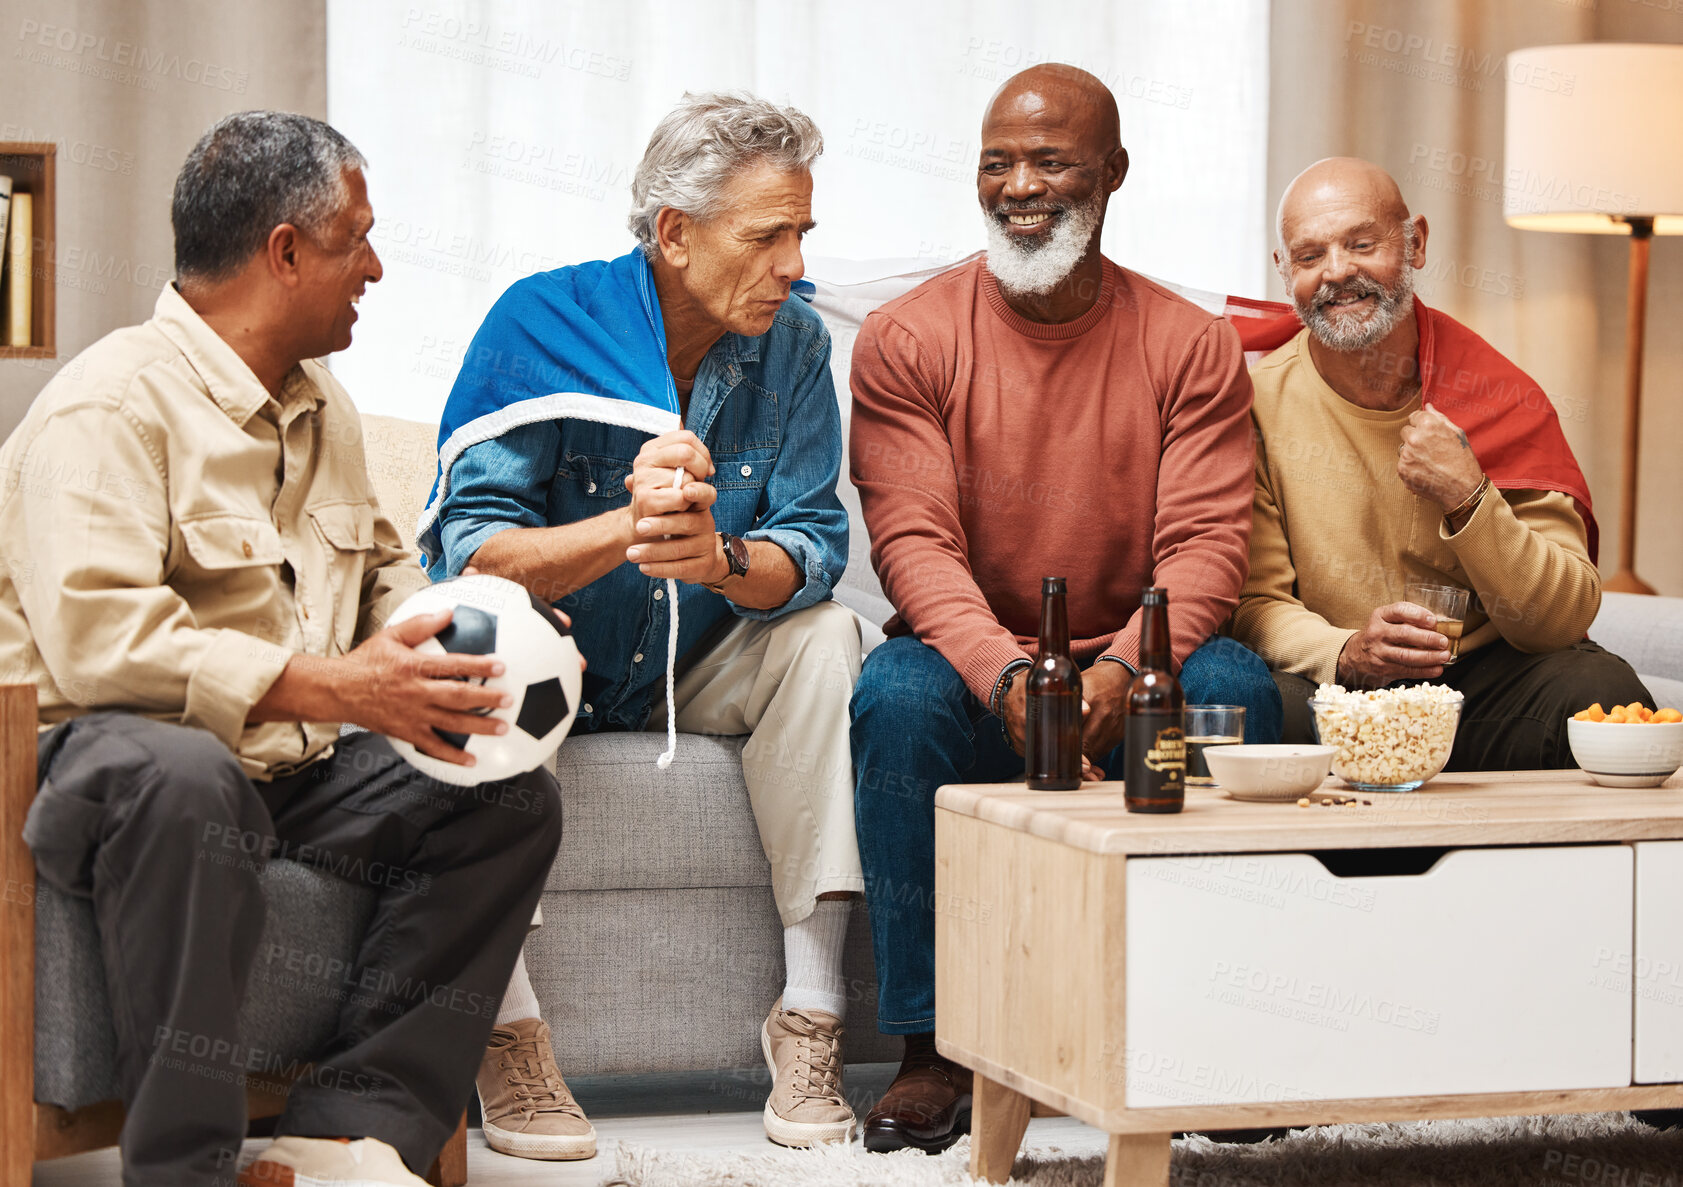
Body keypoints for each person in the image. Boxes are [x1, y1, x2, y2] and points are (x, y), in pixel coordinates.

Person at [0, 112, 564, 1187]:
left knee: (501, 792)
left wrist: (483, 637)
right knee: (186, 776)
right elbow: (95, 644)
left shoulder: (321, 407)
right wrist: (338, 688)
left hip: (283, 765)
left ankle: (346, 1135)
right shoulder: (110, 406)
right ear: (285, 251)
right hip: (105, 765)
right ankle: (188, 1166)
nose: (376, 266)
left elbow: (385, 577)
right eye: (357, 239)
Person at [847, 64, 1282, 1154]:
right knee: (893, 696)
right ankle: (933, 1045)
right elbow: (914, 543)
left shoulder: (1188, 343)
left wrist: (1109, 675)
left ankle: (1213, 1030)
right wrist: (1012, 679)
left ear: (1114, 174)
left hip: (1139, 652)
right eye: (998, 162)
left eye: (1052, 161)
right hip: (971, 653)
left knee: (1233, 687)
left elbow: (1204, 549)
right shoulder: (906, 337)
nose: (1020, 186)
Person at [423, 91, 864, 1153]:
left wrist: (714, 557)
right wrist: (627, 528)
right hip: (562, 653)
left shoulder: (794, 346)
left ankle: (810, 1014)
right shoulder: (544, 321)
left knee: (828, 637)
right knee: (469, 631)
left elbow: (811, 544)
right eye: (769, 235)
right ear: (674, 231)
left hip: (704, 657)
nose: (796, 263)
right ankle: (510, 1032)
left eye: (802, 231)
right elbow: (467, 547)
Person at [1230, 157, 1650, 766]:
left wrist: (1469, 495)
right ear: (1282, 270)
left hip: (1477, 682)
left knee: (1602, 695)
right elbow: (1254, 605)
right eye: (1310, 255)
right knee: (1256, 706)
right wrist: (1348, 651)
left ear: (1416, 244)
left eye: (1362, 244)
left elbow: (1560, 619)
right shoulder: (1255, 403)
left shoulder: (1493, 392)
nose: (1337, 272)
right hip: (1337, 681)